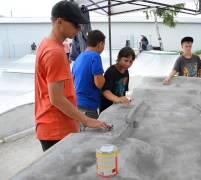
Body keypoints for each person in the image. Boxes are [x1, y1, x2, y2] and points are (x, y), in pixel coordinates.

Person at [35, 1, 111, 152]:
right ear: (60, 21)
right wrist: (86, 120)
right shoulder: (55, 52)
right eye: (76, 24)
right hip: (57, 127)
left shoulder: (46, 44)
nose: (79, 29)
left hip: (51, 125)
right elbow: (56, 98)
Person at [72, 30, 106, 131]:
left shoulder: (79, 57)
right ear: (100, 43)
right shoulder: (95, 56)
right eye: (103, 44)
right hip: (89, 107)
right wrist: (104, 78)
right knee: (91, 139)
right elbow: (99, 84)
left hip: (77, 104)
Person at [100, 47, 136, 113]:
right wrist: (118, 99)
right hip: (107, 109)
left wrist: (126, 100)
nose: (128, 64)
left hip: (118, 108)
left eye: (131, 62)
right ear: (119, 58)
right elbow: (105, 91)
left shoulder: (126, 72)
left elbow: (125, 91)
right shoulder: (111, 71)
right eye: (126, 60)